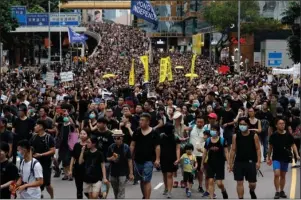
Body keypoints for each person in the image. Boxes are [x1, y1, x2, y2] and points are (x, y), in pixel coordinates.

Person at [267, 119, 300, 199]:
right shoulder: (273, 135)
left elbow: (293, 145)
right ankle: (277, 191)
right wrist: (268, 158)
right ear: (276, 125)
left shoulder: (288, 135)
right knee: (276, 174)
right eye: (280, 123)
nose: (282, 125)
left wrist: (297, 154)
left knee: (283, 175)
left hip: (285, 158)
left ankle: (282, 191)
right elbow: (270, 147)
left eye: (283, 123)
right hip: (276, 158)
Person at [229, 117, 261, 199]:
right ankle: (241, 198)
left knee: (252, 184)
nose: (242, 126)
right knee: (239, 182)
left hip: (251, 162)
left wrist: (258, 162)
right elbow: (233, 150)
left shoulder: (254, 136)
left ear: (248, 125)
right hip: (239, 162)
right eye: (241, 124)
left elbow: (258, 149)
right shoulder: (235, 136)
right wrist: (230, 163)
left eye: (244, 124)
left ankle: (252, 191)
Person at [130, 113, 160, 199]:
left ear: (148, 122)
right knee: (141, 181)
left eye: (142, 120)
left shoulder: (154, 132)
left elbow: (157, 146)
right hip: (137, 160)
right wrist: (130, 156)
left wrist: (157, 159)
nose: (140, 122)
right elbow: (132, 144)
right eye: (140, 120)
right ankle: (144, 196)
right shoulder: (137, 132)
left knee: (147, 180)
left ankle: (147, 198)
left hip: (149, 160)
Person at [201, 124, 229, 199]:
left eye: (214, 130)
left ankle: (223, 190)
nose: (212, 131)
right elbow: (204, 152)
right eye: (211, 129)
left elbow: (226, 152)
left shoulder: (222, 140)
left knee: (219, 183)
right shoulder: (208, 141)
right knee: (210, 180)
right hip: (210, 163)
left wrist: (229, 163)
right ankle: (211, 197)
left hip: (220, 163)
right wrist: (202, 164)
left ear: (218, 131)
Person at [30, 120, 56, 199]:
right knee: (37, 181)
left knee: (47, 183)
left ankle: (52, 197)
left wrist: (41, 155)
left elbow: (53, 150)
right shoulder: (34, 137)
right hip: (35, 163)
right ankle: (39, 194)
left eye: (36, 125)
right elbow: (30, 147)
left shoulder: (49, 137)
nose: (35, 127)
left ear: (41, 127)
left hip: (46, 163)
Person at [107, 129, 134, 199]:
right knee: (116, 192)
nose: (116, 140)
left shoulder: (126, 147)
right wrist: (111, 158)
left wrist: (131, 173)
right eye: (114, 138)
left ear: (122, 138)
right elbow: (106, 158)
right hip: (113, 173)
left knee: (121, 192)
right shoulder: (111, 147)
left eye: (118, 138)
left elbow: (129, 160)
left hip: (123, 173)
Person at [159, 123, 180, 199]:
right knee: (164, 174)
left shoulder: (175, 137)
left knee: (169, 175)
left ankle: (169, 192)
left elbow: (177, 148)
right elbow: (158, 148)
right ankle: (166, 188)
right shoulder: (161, 136)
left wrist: (178, 159)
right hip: (163, 158)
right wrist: (157, 158)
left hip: (172, 158)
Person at [69, 129, 89, 199]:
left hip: (88, 170)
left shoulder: (89, 146)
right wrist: (70, 170)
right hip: (78, 169)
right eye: (81, 133)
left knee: (87, 190)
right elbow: (73, 158)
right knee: (79, 190)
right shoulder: (76, 145)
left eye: (84, 134)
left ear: (87, 135)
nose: (82, 135)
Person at [189, 116, 205, 193]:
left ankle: (200, 186)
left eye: (201, 122)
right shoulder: (192, 127)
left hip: (201, 154)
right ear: (196, 122)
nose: (199, 123)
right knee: (190, 170)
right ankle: (189, 187)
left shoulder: (206, 130)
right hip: (191, 154)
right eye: (198, 122)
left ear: (203, 122)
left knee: (200, 171)